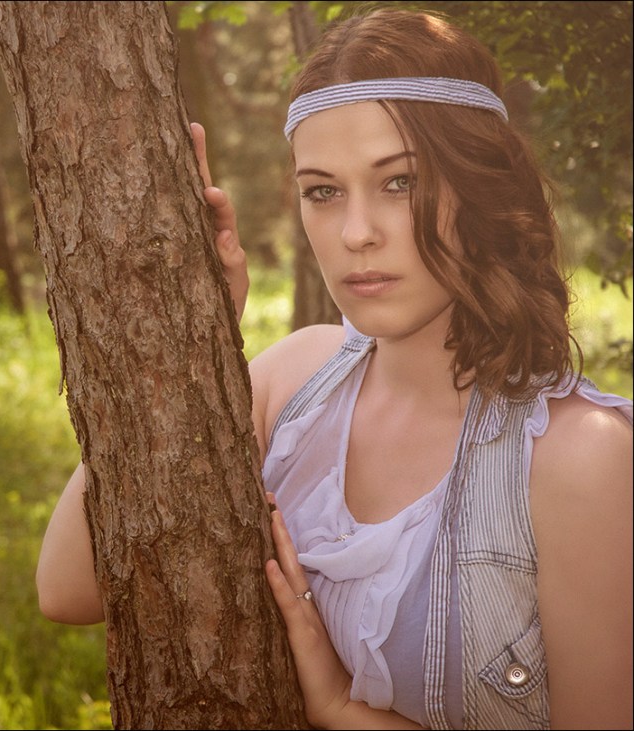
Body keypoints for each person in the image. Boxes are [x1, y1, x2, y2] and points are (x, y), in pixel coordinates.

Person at [35, 7, 633, 730]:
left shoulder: (581, 459)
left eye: (399, 182)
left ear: (481, 190)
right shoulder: (292, 382)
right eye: (323, 191)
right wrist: (196, 329)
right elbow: (69, 587)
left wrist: (341, 711)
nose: (355, 234)